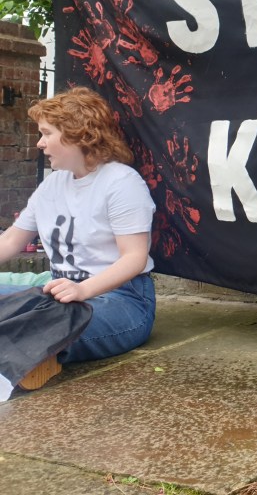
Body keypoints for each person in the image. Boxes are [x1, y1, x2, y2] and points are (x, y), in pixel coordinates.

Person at [0, 86, 156, 396]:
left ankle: (24, 364)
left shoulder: (122, 183)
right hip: (56, 293)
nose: (40, 142)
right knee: (39, 309)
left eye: (46, 133)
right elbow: (11, 241)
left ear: (76, 133)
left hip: (121, 300)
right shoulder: (52, 185)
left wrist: (83, 290)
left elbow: (134, 258)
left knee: (51, 317)